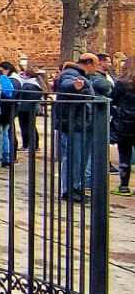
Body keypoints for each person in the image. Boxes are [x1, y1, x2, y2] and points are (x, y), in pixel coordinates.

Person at [55, 54, 100, 202]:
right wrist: (75, 86)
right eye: (96, 64)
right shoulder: (71, 74)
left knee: (80, 158)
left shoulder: (79, 74)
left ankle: (76, 187)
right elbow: (66, 84)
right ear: (89, 63)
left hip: (81, 123)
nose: (97, 68)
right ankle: (70, 189)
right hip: (74, 124)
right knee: (74, 157)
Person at [111, 61, 135, 195]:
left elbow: (113, 99)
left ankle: (124, 186)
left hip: (125, 123)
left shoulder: (122, 83)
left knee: (124, 155)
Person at [13, 67, 43, 154]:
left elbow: (23, 96)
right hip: (30, 108)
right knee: (31, 127)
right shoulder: (36, 84)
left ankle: (28, 145)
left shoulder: (28, 85)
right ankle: (34, 145)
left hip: (25, 108)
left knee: (26, 127)